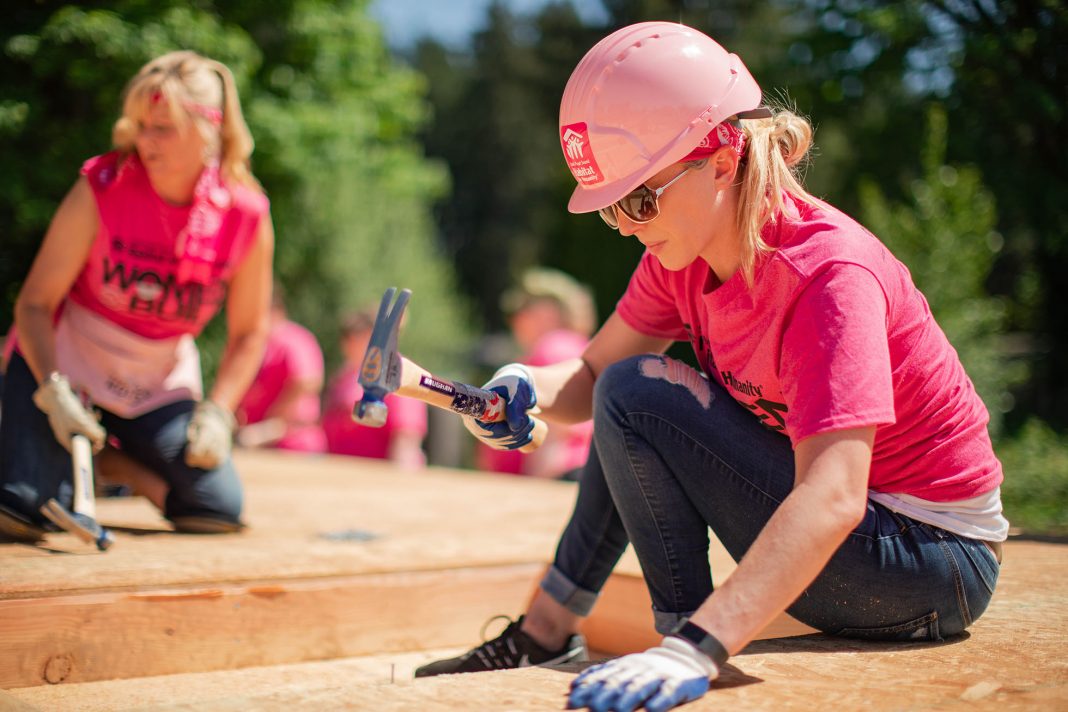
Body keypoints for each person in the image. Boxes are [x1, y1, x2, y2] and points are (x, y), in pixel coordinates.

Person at [415, 21, 1007, 712]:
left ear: (722, 158)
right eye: (611, 210)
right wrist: (522, 389)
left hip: (934, 564)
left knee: (637, 391)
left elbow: (835, 496)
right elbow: (591, 378)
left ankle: (683, 647)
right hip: (870, 538)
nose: (630, 225)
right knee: (626, 388)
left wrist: (698, 645)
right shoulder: (682, 253)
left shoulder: (828, 278)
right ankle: (552, 632)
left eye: (640, 199)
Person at [0, 50, 274, 541]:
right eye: (141, 124)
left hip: (156, 380)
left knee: (215, 509)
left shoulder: (248, 212)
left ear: (208, 129)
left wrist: (218, 413)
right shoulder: (103, 184)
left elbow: (251, 331)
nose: (144, 139)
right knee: (22, 510)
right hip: (66, 368)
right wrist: (54, 392)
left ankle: (117, 466)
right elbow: (35, 303)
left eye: (162, 128)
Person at [477, 268, 595, 480]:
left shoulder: (554, 347)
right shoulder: (579, 348)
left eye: (523, 308)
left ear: (548, 311)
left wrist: (538, 489)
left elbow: (556, 429)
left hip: (557, 477)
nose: (515, 319)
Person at [321, 308, 428, 469]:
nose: (348, 344)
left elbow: (405, 439)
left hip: (377, 478)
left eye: (357, 336)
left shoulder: (397, 374)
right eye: (347, 337)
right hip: (341, 473)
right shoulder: (343, 377)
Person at [234, 284, 327, 453]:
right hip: (261, 442)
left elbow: (307, 382)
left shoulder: (292, 338)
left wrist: (271, 420)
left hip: (293, 444)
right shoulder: (259, 341)